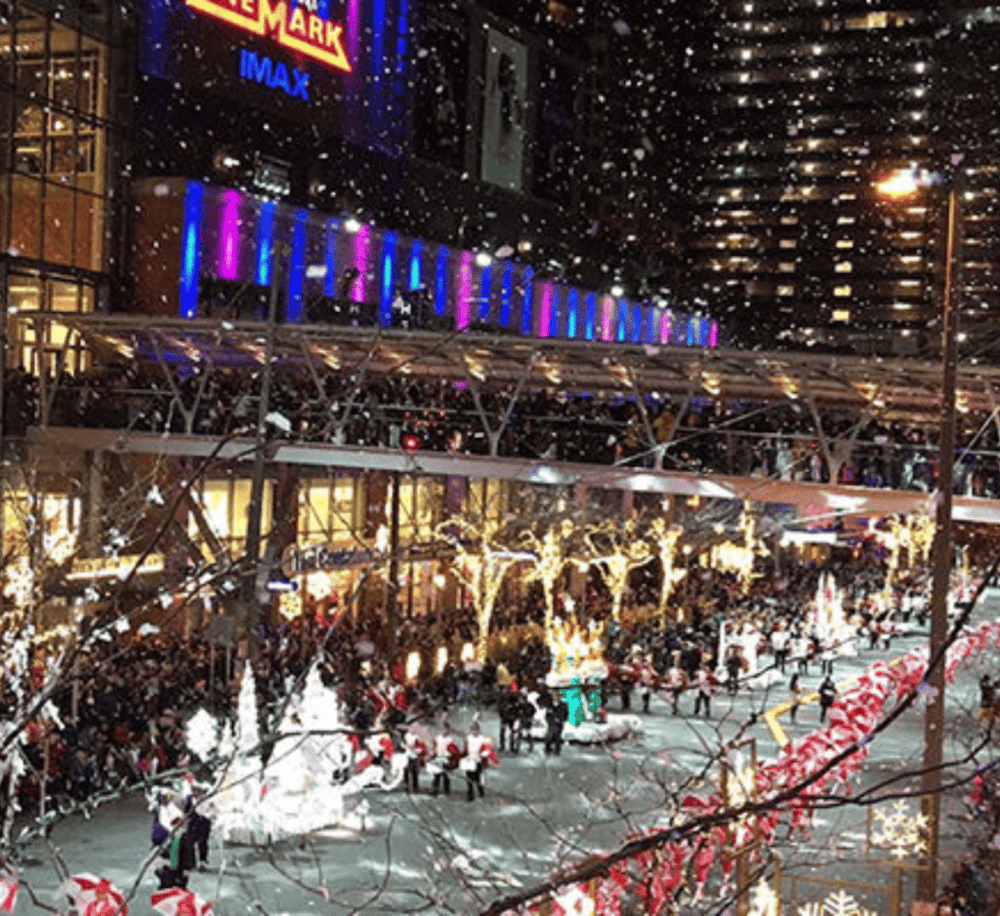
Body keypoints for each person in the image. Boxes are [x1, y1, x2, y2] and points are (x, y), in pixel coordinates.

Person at [461, 717, 495, 801]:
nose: (474, 732)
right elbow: (465, 750)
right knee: (468, 777)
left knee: (477, 777)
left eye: (476, 730)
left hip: (478, 761)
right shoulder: (468, 738)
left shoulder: (482, 739)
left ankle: (480, 790)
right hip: (470, 760)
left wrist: (483, 755)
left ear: (478, 730)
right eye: (473, 730)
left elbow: (487, 750)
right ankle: (470, 793)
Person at [428, 720, 460, 797]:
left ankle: (447, 790)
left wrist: (450, 759)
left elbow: (453, 750)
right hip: (439, 757)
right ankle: (434, 790)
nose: (444, 731)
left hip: (446, 758)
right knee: (436, 775)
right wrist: (432, 753)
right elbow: (434, 747)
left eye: (446, 730)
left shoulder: (450, 739)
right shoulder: (438, 738)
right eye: (443, 729)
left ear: (448, 731)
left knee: (446, 776)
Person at [402, 726, 428, 794]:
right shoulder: (406, 735)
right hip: (408, 755)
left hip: (415, 756)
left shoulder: (416, 737)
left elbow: (420, 745)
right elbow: (405, 742)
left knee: (414, 772)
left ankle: (415, 787)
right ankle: (406, 785)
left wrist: (419, 750)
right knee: (406, 770)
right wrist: (404, 746)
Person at [497, 685, 520, 753]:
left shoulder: (513, 699)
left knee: (512, 732)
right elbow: (499, 708)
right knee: (503, 732)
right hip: (505, 718)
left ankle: (511, 746)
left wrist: (515, 716)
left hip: (511, 718)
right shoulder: (502, 699)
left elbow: (517, 709)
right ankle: (503, 746)